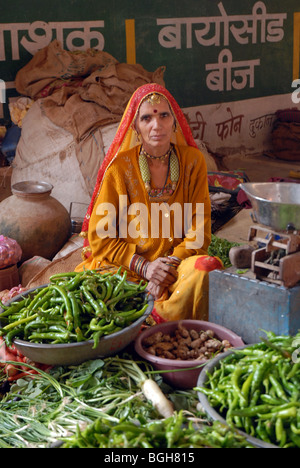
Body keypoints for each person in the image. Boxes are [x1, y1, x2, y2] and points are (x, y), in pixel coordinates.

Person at [76, 83, 223, 322]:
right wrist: (146, 268)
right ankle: (166, 313)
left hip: (176, 266)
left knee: (207, 268)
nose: (157, 125)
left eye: (164, 115)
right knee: (92, 294)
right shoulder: (119, 168)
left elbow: (199, 231)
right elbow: (99, 237)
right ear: (135, 127)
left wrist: (167, 268)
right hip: (128, 269)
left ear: (174, 121)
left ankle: (156, 315)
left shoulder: (193, 161)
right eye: (146, 118)